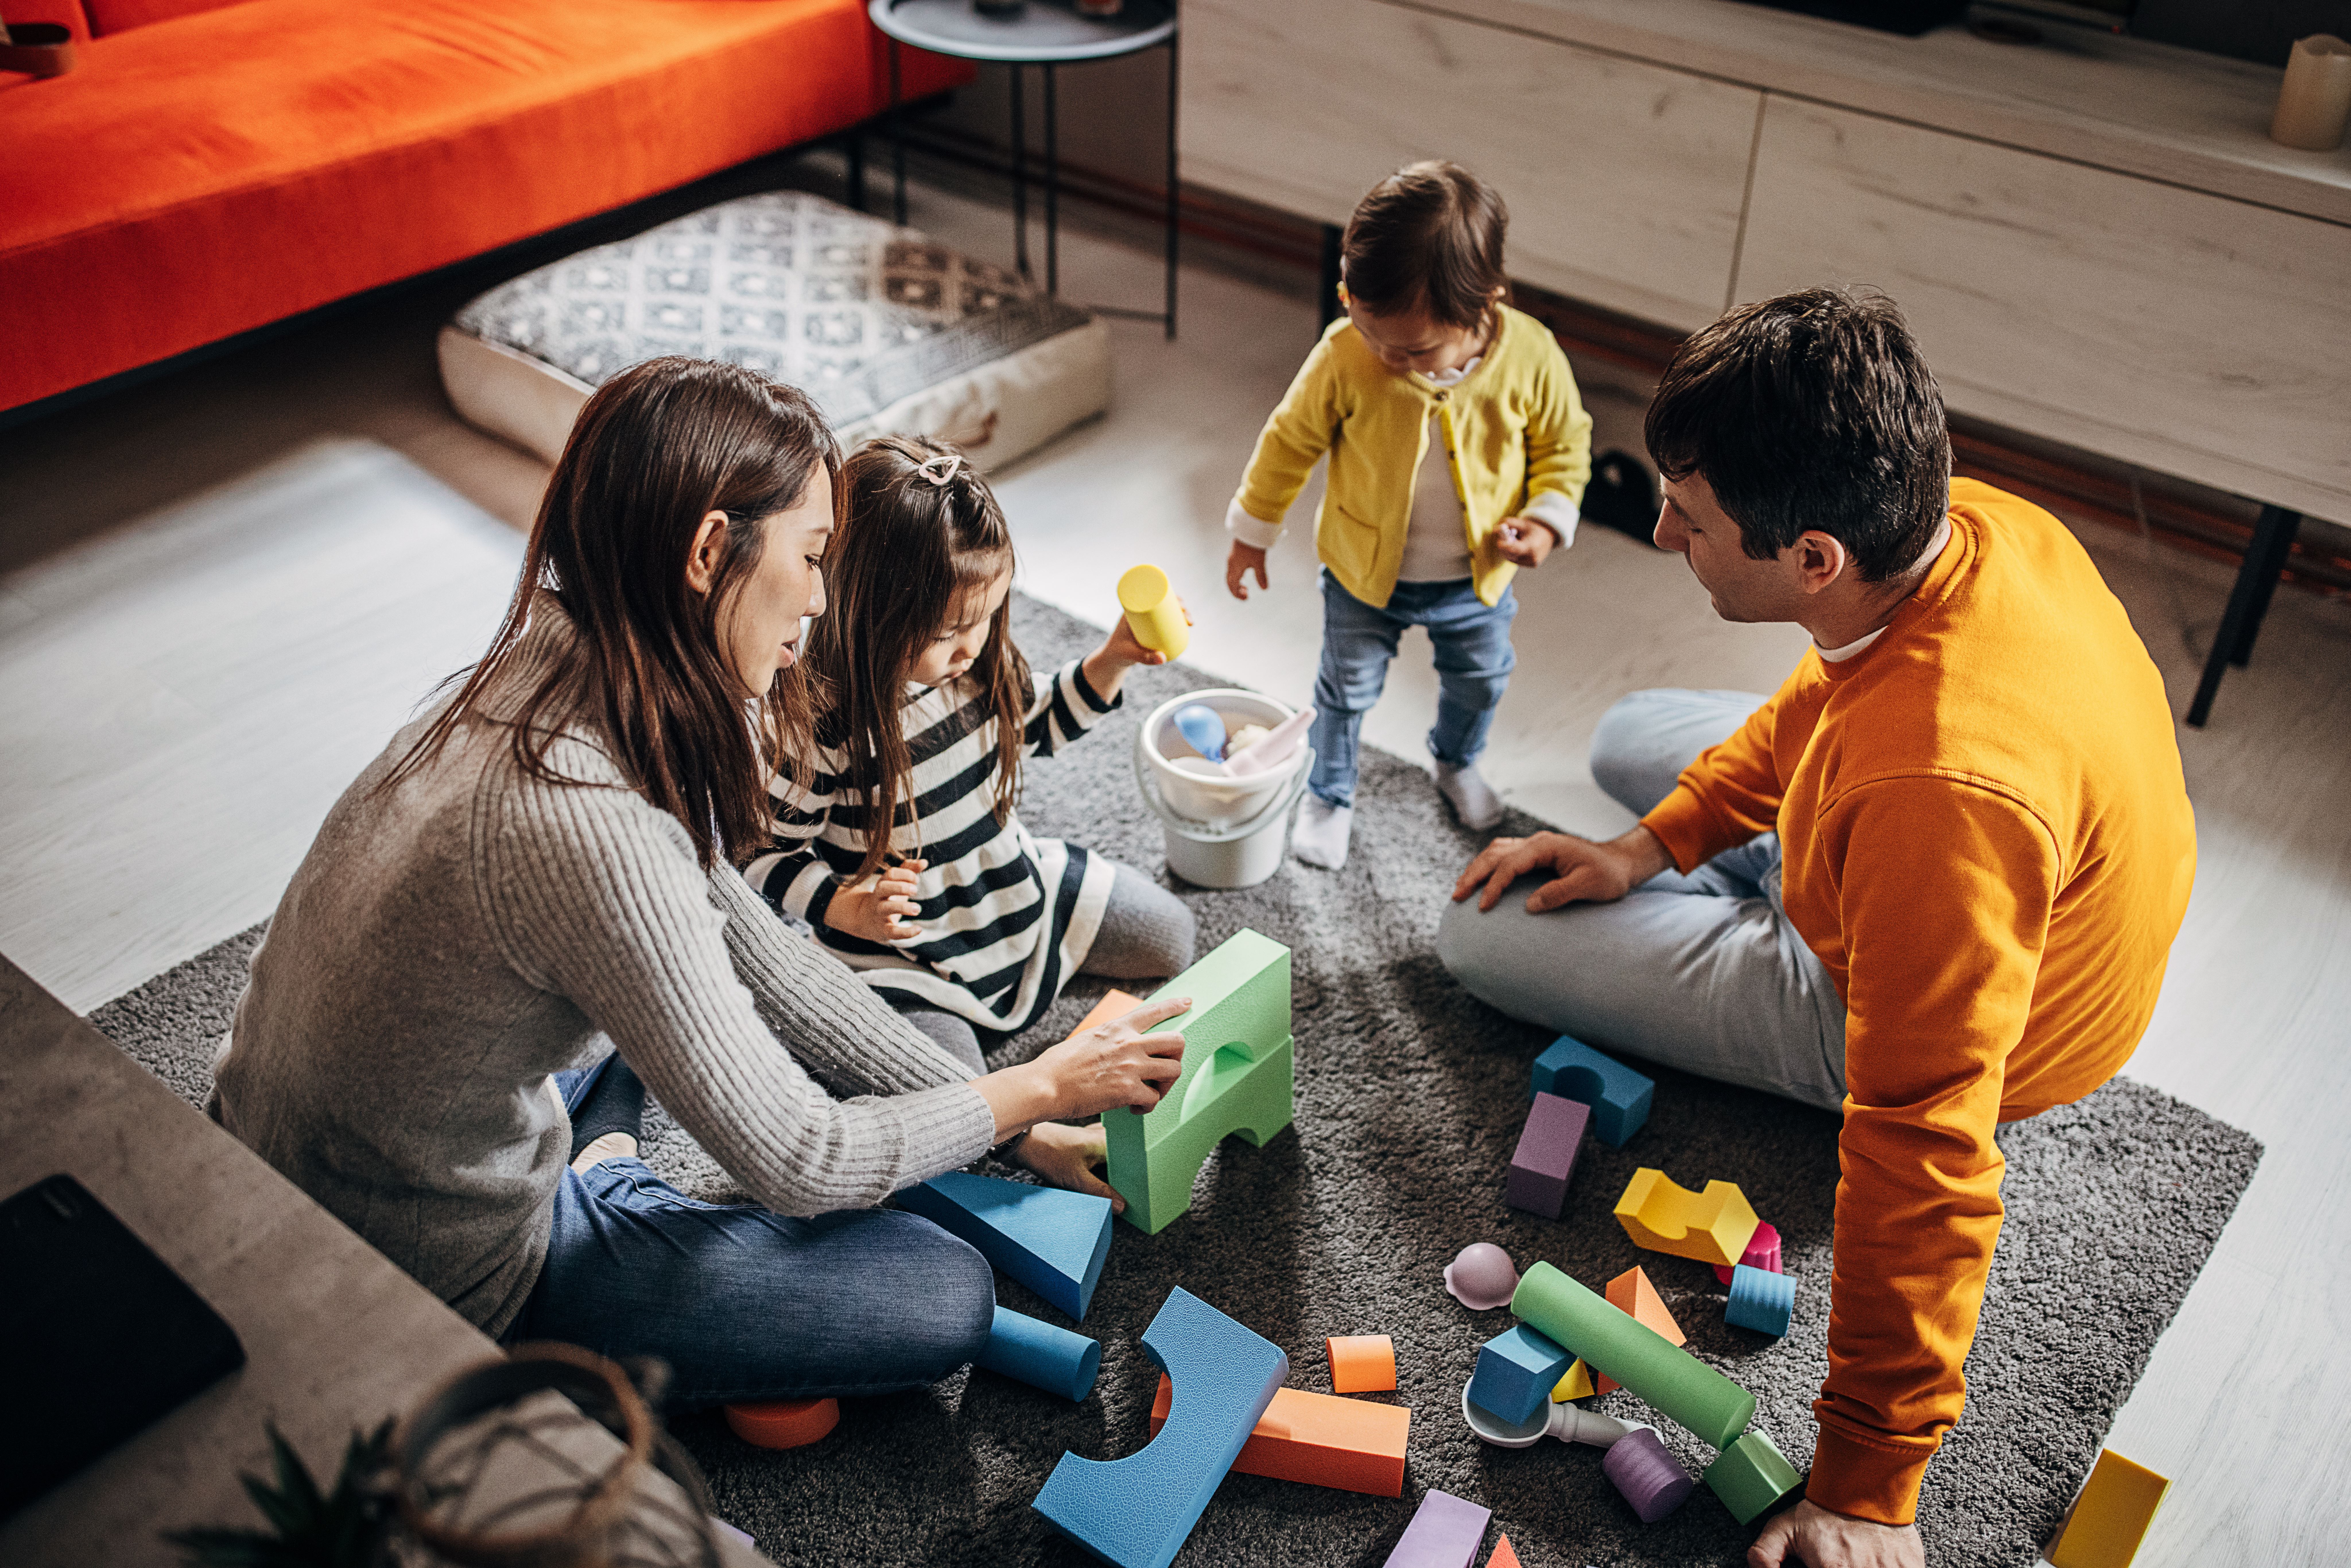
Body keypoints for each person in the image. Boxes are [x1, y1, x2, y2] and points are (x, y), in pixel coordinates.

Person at [215, 358, 1188, 1405]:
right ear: (710, 551)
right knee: (942, 1292)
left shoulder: (552, 666)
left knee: (688, 1012)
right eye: (813, 558)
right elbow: (800, 1158)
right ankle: (608, 1176)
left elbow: (765, 955)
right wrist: (1036, 1086)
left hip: (283, 1147)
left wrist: (1013, 1125)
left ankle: (602, 1150)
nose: (820, 602)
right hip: (416, 1264)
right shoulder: (587, 823)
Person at [1437, 290, 2196, 1568]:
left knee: (1478, 941)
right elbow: (1819, 704)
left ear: (1812, 560)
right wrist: (1650, 843)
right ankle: (1702, 870)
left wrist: (1866, 1485)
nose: (1660, 523)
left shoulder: (1932, 803)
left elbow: (1925, 1151)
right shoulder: (1968, 523)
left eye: (1690, 516)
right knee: (1632, 743)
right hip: (1928, 852)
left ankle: (1752, 917)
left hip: (1958, 995)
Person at [744, 434, 1197, 1065]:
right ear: (868, 610)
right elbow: (762, 855)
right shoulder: (817, 725)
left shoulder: (977, 668)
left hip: (1011, 887)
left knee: (1172, 936)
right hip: (906, 952)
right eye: (948, 630)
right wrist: (845, 908)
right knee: (951, 1082)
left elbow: (1037, 722)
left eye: (985, 618)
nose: (971, 646)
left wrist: (1112, 659)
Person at [1221, 160, 1593, 869]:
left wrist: (1546, 520)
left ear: (1485, 302)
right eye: (1370, 332)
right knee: (1344, 688)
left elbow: (1564, 441)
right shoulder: (1344, 356)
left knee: (1481, 678)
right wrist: (1252, 534)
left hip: (1475, 580)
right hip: (1365, 577)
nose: (1388, 357)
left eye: (1414, 348)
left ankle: (1456, 760)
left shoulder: (1531, 355)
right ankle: (1329, 791)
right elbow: (1288, 442)